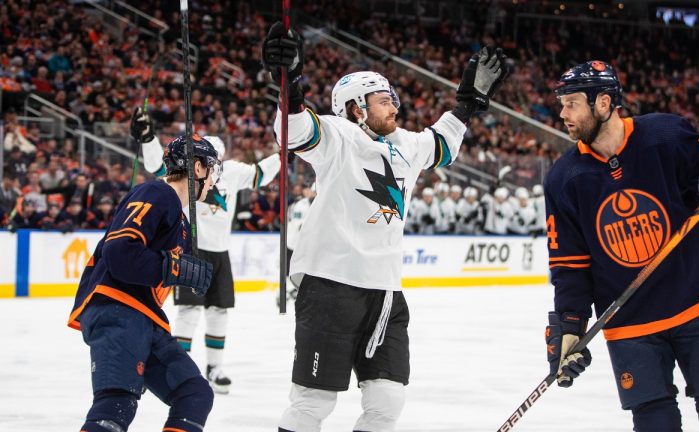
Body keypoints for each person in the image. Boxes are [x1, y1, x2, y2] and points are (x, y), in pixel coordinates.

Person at [263, 21, 508, 432]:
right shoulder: (339, 136)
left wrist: (468, 101)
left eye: (392, 98)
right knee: (313, 403)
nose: (395, 106)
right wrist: (289, 83)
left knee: (387, 402)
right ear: (357, 108)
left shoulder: (407, 145)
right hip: (329, 284)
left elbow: (442, 144)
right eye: (383, 100)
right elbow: (297, 130)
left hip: (386, 292)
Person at [543, 60, 699, 431]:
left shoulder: (666, 135)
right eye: (562, 103)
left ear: (603, 103)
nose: (562, 113)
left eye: (572, 103)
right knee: (654, 423)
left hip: (698, 307)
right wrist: (569, 329)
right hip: (630, 325)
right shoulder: (563, 178)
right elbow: (570, 266)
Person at [67, 134, 221, 432]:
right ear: (198, 169)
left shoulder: (183, 224)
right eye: (212, 168)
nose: (214, 179)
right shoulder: (155, 193)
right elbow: (120, 253)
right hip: (118, 307)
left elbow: (168, 267)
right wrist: (172, 267)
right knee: (115, 405)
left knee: (194, 394)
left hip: (147, 318)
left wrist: (185, 270)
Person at [131, 108, 280, 394]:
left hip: (219, 251)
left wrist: (286, 153)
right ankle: (179, 366)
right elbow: (156, 165)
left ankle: (215, 366)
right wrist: (148, 138)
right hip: (190, 247)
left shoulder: (233, 172)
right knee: (188, 309)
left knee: (219, 310)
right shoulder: (187, 172)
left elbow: (260, 175)